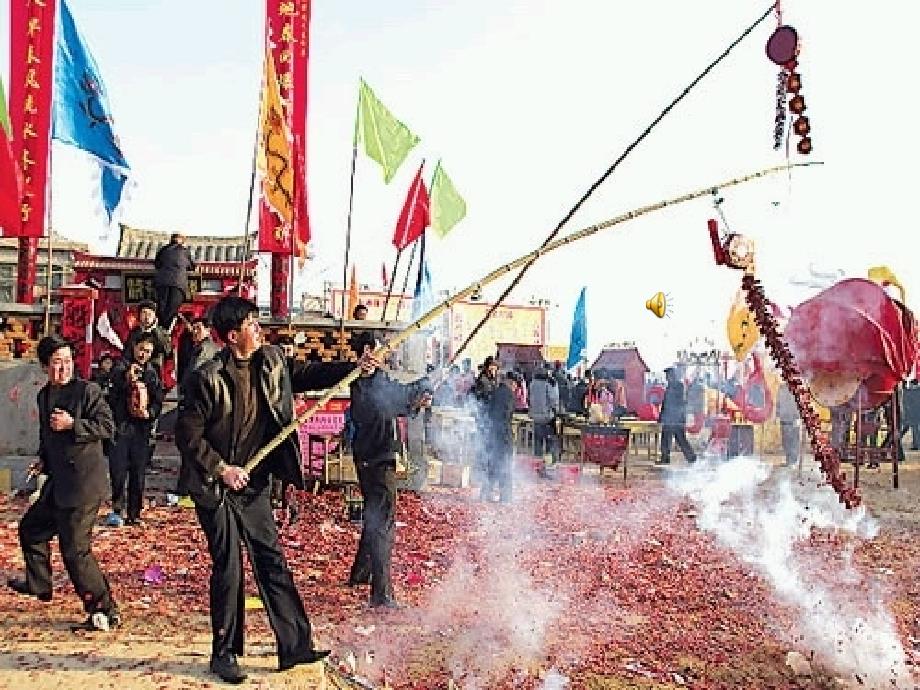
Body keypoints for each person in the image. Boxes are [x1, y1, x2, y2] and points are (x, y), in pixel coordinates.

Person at [175, 295, 370, 683]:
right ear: (232, 336)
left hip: (254, 482)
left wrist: (355, 368)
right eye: (251, 325)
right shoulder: (207, 377)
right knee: (229, 566)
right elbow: (188, 434)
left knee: (271, 559)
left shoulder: (273, 361)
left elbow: (309, 373)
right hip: (215, 484)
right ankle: (224, 652)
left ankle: (295, 645)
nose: (259, 329)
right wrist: (222, 468)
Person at [7, 335, 120, 632]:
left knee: (75, 551)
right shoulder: (44, 396)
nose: (63, 368)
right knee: (31, 528)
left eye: (68, 362)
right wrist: (42, 459)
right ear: (45, 366)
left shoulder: (87, 391)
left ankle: (104, 610)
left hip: (83, 484)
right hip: (58, 483)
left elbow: (108, 427)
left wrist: (74, 425)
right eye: (56, 363)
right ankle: (39, 584)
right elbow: (47, 434)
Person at [346, 330, 431, 607]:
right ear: (370, 350)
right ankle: (381, 593)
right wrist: (420, 388)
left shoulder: (368, 381)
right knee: (383, 521)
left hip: (370, 456)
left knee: (375, 513)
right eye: (384, 347)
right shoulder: (367, 382)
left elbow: (400, 402)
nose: (389, 353)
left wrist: (418, 397)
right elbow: (394, 401)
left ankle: (361, 573)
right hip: (377, 458)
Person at [105, 333, 164, 527]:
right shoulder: (120, 366)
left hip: (141, 430)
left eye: (148, 351)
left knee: (138, 472)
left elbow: (158, 400)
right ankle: (117, 509)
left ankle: (134, 512)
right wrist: (126, 379)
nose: (143, 354)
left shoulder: (152, 372)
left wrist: (150, 413)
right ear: (134, 347)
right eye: (141, 349)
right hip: (120, 427)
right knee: (118, 471)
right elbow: (112, 391)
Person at [481, 371, 516, 503]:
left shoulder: (495, 392)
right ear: (511, 383)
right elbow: (507, 415)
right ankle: (505, 497)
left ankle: (486, 493)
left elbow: (488, 411)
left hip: (492, 432)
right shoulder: (508, 395)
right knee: (505, 465)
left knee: (492, 463)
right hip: (503, 434)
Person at [153, 232, 196, 332]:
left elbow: (157, 263)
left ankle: (159, 328)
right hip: (178, 284)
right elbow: (192, 266)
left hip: (162, 282)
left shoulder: (163, 250)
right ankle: (166, 331)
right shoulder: (185, 251)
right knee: (172, 309)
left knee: (161, 307)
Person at [658, 367, 697, 464]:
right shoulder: (670, 386)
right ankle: (665, 458)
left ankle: (691, 457)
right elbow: (665, 403)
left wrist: (674, 416)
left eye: (668, 375)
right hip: (669, 417)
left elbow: (680, 403)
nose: (667, 377)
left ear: (672, 375)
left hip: (676, 417)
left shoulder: (679, 385)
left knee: (680, 439)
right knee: (666, 438)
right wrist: (661, 417)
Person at [123, 300, 172, 373]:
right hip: (136, 369)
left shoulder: (162, 332)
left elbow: (167, 351)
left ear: (155, 316)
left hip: (155, 370)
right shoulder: (134, 332)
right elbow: (127, 354)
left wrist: (155, 330)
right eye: (144, 313)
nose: (147, 317)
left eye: (150, 314)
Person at [178, 315, 220, 399]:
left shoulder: (207, 347)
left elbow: (196, 369)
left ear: (208, 330)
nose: (195, 331)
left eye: (198, 328)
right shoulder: (196, 347)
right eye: (193, 329)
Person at [529, 366, 560, 464]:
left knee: (538, 442)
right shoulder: (550, 382)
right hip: (547, 418)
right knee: (549, 443)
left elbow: (530, 398)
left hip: (535, 417)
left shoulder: (532, 383)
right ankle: (548, 465)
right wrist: (556, 411)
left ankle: (536, 465)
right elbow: (553, 400)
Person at [776, 383, 801, 467]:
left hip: (794, 418)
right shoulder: (781, 388)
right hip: (784, 418)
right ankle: (789, 460)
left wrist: (800, 417)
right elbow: (778, 403)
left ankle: (793, 461)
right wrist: (777, 415)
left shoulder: (798, 388)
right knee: (786, 440)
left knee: (794, 439)